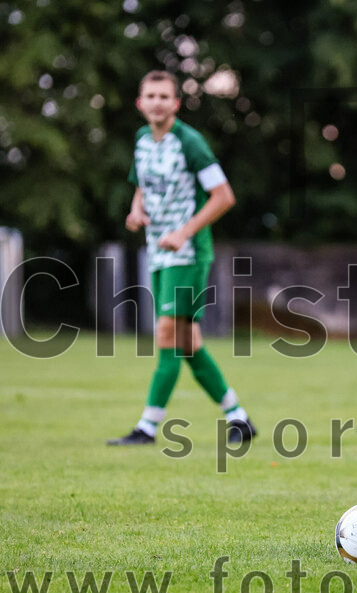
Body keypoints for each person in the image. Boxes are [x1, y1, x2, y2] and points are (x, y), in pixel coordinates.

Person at [107, 70, 256, 446]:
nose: (156, 102)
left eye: (164, 96)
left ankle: (147, 426)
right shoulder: (143, 140)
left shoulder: (190, 142)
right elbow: (141, 184)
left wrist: (183, 232)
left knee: (166, 333)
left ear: (175, 103)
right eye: (150, 96)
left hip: (187, 253)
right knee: (187, 342)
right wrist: (135, 211)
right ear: (140, 103)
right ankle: (239, 418)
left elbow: (224, 196)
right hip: (159, 253)